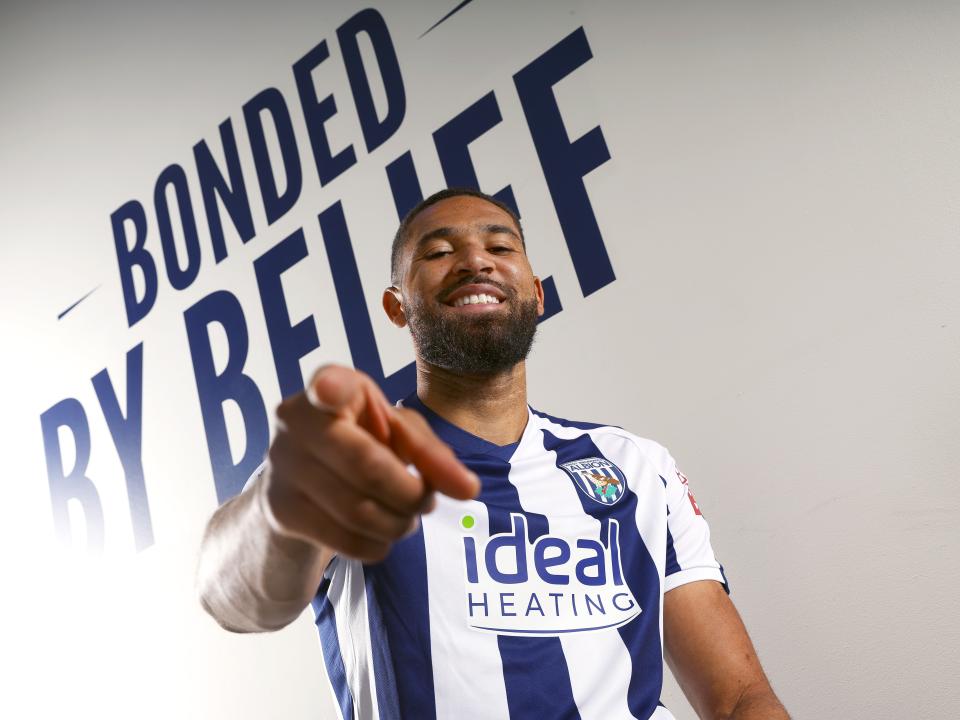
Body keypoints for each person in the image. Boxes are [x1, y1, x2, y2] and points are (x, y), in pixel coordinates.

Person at [197, 188, 789, 720]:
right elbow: (231, 597)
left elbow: (738, 697)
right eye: (437, 253)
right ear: (397, 305)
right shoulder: (350, 456)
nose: (475, 260)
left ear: (535, 294)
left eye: (500, 245)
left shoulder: (635, 465)